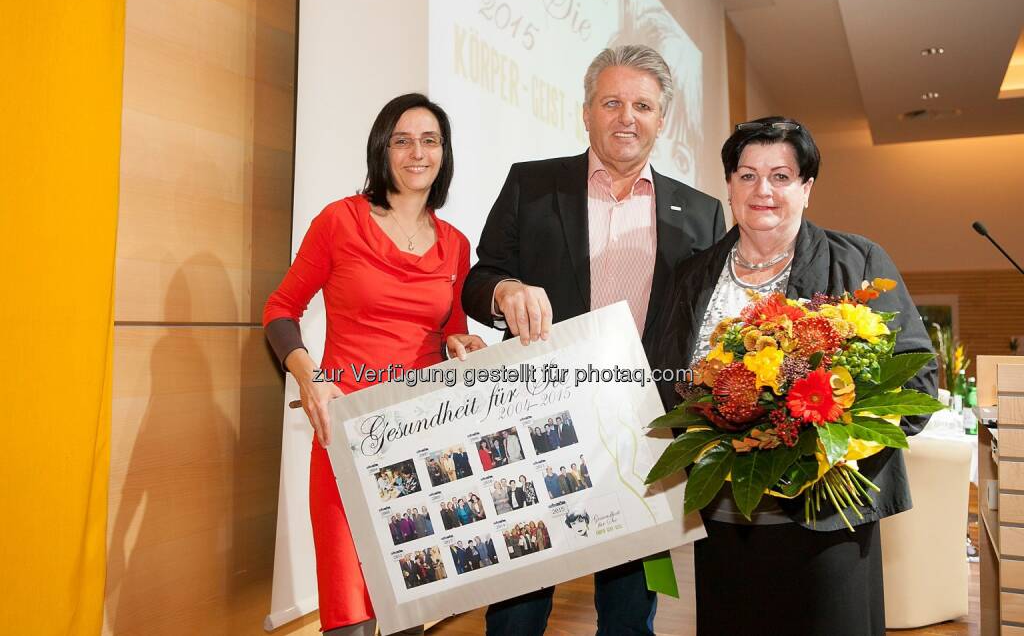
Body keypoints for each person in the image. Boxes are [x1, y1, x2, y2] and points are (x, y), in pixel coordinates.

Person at [463, 44, 725, 636]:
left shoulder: (702, 213)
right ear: (586, 112)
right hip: (536, 425)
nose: (626, 117)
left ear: (662, 119)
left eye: (642, 105)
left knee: (631, 616)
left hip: (643, 433)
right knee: (516, 613)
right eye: (611, 102)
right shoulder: (531, 185)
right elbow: (477, 281)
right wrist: (504, 291)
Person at [654, 116, 937, 636]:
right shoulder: (693, 275)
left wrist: (813, 428)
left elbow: (917, 382)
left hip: (827, 519)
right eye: (747, 175)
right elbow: (663, 377)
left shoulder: (858, 262)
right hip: (725, 519)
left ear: (806, 188)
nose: (763, 190)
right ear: (730, 186)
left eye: (781, 176)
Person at [262, 93, 486, 636]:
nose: (417, 153)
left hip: (419, 436)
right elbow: (280, 310)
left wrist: (464, 345)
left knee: (406, 606)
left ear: (444, 153)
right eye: (402, 140)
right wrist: (310, 376)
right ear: (381, 149)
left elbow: (451, 330)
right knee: (348, 614)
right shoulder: (340, 221)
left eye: (430, 140)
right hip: (347, 433)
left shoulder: (455, 245)